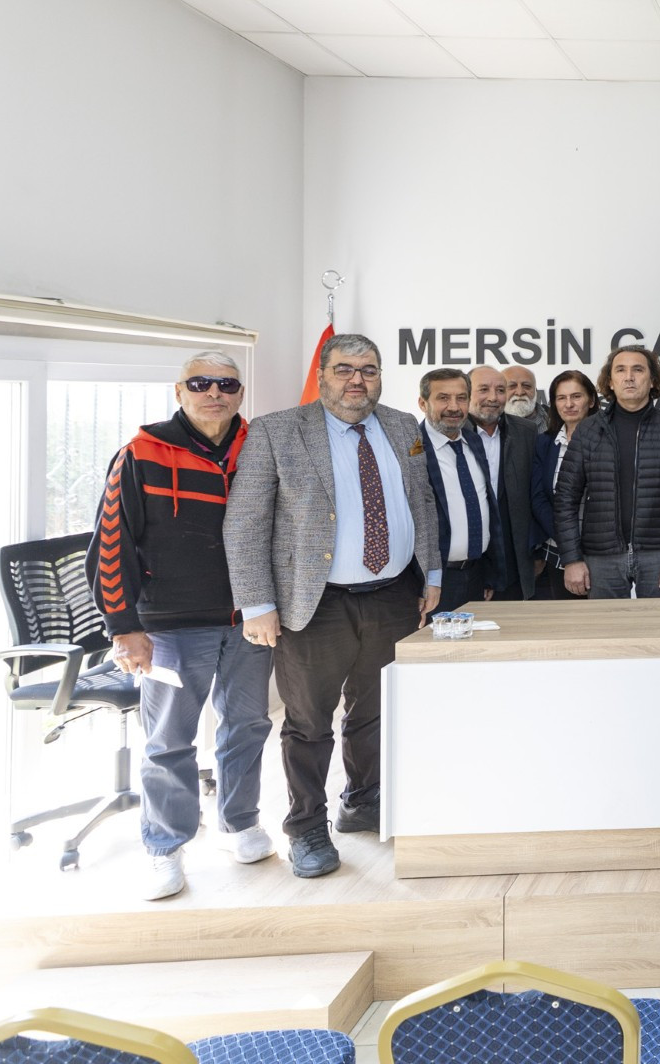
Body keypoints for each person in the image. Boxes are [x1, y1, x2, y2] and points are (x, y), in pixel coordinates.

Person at [224, 333, 442, 879]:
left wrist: (432, 574)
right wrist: (256, 603)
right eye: (345, 369)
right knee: (308, 724)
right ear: (322, 374)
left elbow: (421, 502)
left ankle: (362, 800)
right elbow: (245, 522)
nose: (357, 380)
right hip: (313, 604)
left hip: (393, 596)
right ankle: (306, 827)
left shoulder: (402, 427)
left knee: (373, 711)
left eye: (368, 370)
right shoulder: (277, 431)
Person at [87, 351, 270, 900]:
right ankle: (164, 847)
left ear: (240, 393)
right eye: (201, 383)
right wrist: (124, 626)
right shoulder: (140, 453)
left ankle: (238, 823)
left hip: (250, 618)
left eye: (227, 385)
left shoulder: (258, 448)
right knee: (169, 742)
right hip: (169, 625)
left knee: (247, 726)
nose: (214, 393)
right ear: (180, 390)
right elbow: (112, 543)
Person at [555, 345, 660, 599]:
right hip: (601, 556)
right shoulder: (588, 430)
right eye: (620, 370)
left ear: (652, 380)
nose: (629, 377)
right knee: (605, 625)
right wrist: (572, 559)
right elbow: (565, 499)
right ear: (610, 382)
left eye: (638, 370)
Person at [417, 368, 496, 613]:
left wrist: (489, 573)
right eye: (443, 398)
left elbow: (487, 507)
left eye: (461, 398)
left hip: (476, 575)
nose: (454, 407)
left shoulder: (474, 441)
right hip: (433, 583)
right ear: (423, 403)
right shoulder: (411, 448)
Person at [467, 366, 540, 600]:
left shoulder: (527, 432)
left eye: (500, 390)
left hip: (516, 559)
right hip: (468, 563)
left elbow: (537, 495)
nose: (493, 397)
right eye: (483, 390)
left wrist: (537, 551)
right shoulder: (452, 431)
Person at [530, 369, 598, 599]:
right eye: (561, 398)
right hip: (558, 549)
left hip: (603, 551)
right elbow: (538, 499)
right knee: (567, 617)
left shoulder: (609, 440)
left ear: (591, 400)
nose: (569, 404)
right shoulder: (544, 443)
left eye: (576, 396)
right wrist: (568, 543)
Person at [501, 363, 546, 429]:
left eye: (526, 386)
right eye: (512, 386)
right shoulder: (488, 423)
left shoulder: (555, 420)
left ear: (536, 391)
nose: (520, 392)